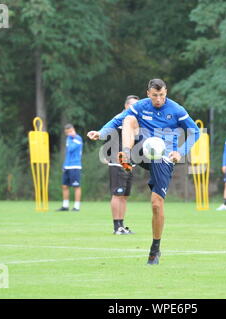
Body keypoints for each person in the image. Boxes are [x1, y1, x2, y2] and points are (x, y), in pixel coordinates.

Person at [116, 78, 200, 265]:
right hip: (144, 149)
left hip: (164, 158)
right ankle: (128, 155)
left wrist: (181, 151)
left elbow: (195, 132)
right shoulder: (141, 106)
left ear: (166, 92)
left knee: (156, 204)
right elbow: (118, 121)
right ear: (148, 94)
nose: (159, 99)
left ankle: (155, 249)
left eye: (162, 95)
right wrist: (102, 131)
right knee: (129, 118)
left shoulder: (177, 109)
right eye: (155, 95)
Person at [87, 95, 140, 235]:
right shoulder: (121, 118)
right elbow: (107, 129)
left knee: (124, 196)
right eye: (133, 105)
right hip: (118, 162)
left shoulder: (136, 120)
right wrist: (99, 133)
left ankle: (122, 225)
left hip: (130, 163)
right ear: (126, 106)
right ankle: (116, 227)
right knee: (117, 194)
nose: (136, 108)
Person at [57, 124, 83, 212]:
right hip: (67, 166)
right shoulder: (68, 139)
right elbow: (68, 153)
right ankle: (65, 205)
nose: (68, 134)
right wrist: (64, 165)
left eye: (69, 131)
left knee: (76, 186)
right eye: (67, 132)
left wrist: (74, 136)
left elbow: (71, 149)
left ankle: (76, 206)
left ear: (73, 130)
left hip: (75, 166)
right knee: (64, 186)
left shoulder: (78, 138)